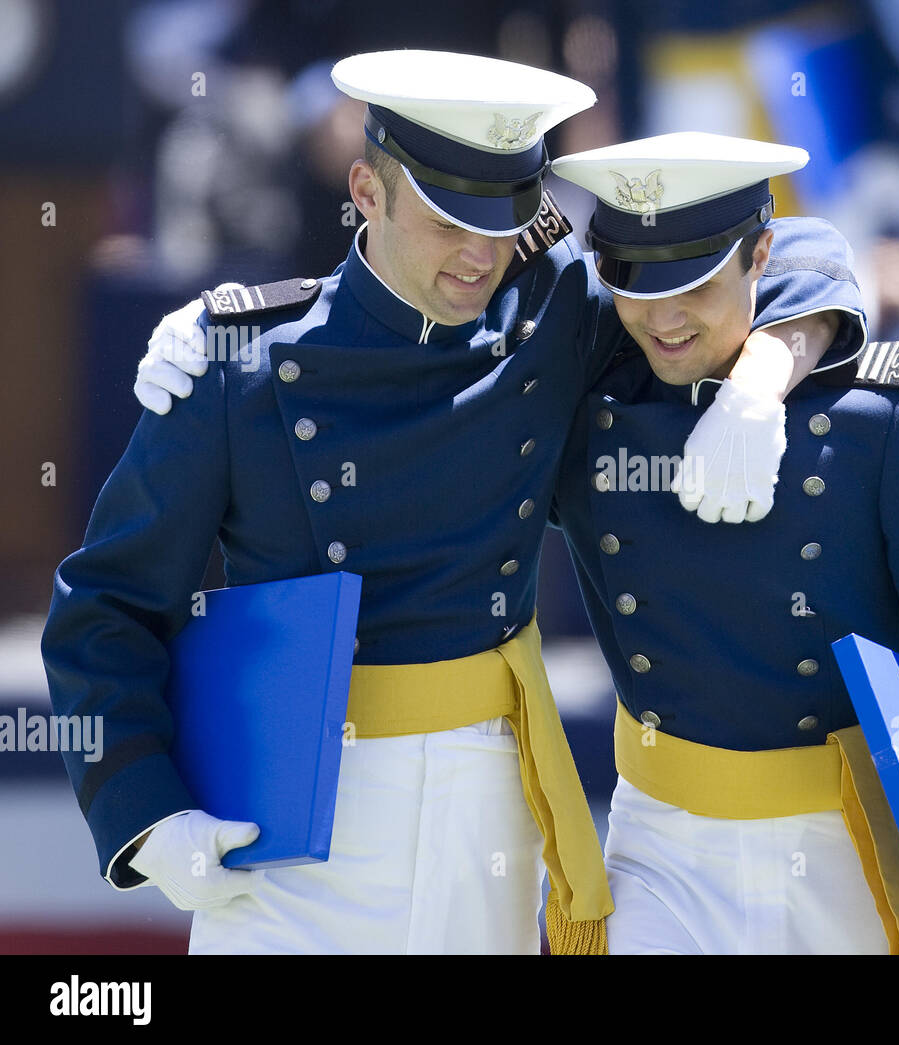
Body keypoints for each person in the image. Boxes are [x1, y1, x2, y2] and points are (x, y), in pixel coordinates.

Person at [41, 51, 838, 956]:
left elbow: (796, 249)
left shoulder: (552, 310)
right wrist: (147, 813)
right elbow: (103, 608)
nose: (479, 255)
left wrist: (761, 380)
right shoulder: (240, 365)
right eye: (450, 219)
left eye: (503, 222)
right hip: (284, 830)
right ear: (366, 193)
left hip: (486, 820)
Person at [540, 133, 899, 954]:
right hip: (656, 849)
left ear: (758, 253)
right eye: (630, 277)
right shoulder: (590, 395)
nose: (660, 315)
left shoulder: (885, 416)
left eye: (691, 278)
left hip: (844, 856)